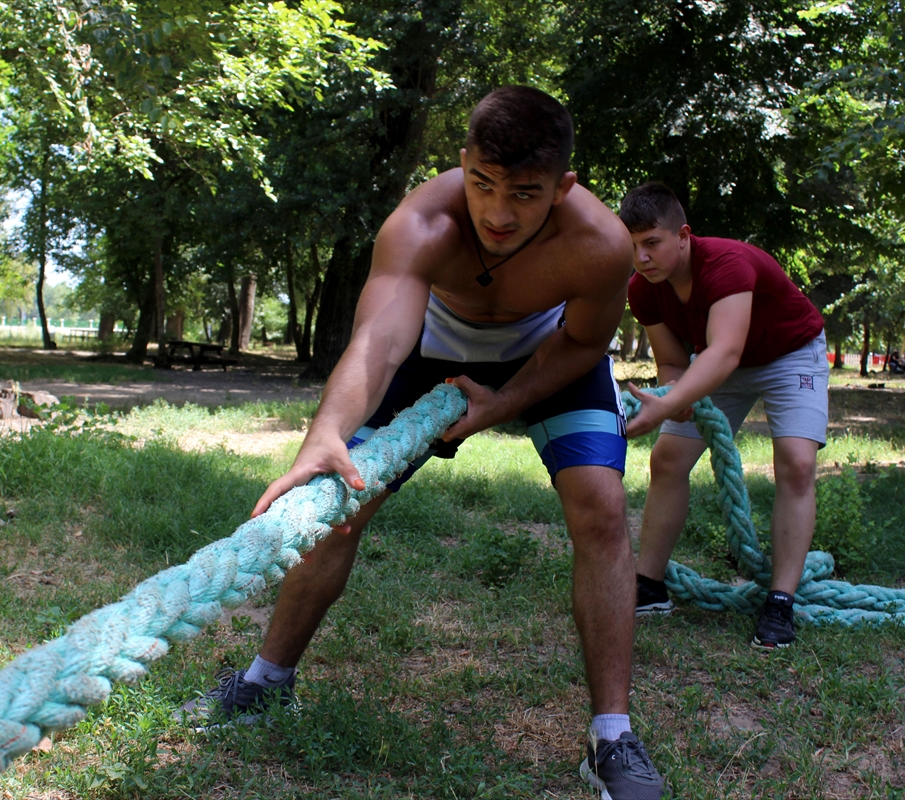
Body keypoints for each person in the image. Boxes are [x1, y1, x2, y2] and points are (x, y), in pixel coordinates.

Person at [181, 87, 668, 799]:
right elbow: (379, 341)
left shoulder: (598, 245)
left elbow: (582, 344)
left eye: (526, 194)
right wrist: (325, 433)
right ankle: (265, 683)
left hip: (550, 358)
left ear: (563, 187)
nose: (499, 213)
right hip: (427, 350)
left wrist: (502, 403)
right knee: (339, 503)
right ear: (464, 161)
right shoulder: (420, 223)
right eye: (483, 184)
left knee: (600, 509)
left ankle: (612, 736)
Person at [620, 182, 828, 649]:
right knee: (668, 460)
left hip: (789, 353)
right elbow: (674, 363)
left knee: (796, 463)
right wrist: (675, 392)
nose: (642, 257)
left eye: (651, 242)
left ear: (683, 236)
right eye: (632, 246)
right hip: (719, 360)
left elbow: (726, 350)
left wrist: (669, 403)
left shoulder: (727, 264)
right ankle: (649, 587)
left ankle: (779, 602)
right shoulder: (643, 289)